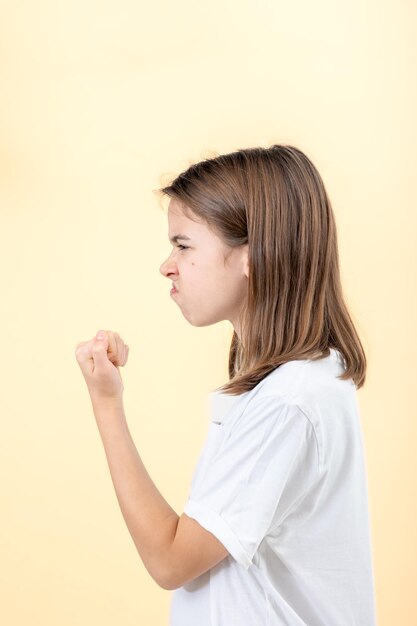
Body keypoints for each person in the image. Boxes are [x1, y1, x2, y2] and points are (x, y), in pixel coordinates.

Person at [75, 144, 378, 625]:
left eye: (184, 245)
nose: (167, 265)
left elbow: (171, 560)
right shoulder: (300, 383)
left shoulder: (288, 402)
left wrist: (106, 404)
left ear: (251, 255)